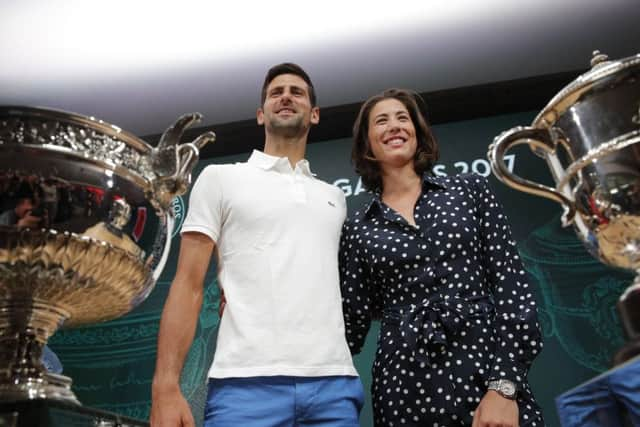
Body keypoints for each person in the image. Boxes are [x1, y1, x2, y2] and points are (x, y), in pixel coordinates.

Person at [150, 63, 363, 427]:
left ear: (314, 115)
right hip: (244, 384)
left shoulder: (333, 197)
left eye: (297, 92)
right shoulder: (220, 178)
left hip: (334, 384)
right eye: (275, 92)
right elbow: (187, 284)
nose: (285, 96)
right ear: (260, 114)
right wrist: (165, 387)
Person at [339, 88, 545, 426]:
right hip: (403, 391)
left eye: (403, 118)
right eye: (382, 121)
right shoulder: (358, 228)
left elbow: (513, 290)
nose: (395, 126)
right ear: (367, 144)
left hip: (486, 375)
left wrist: (504, 387)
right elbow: (350, 324)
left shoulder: (470, 191)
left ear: (418, 133)